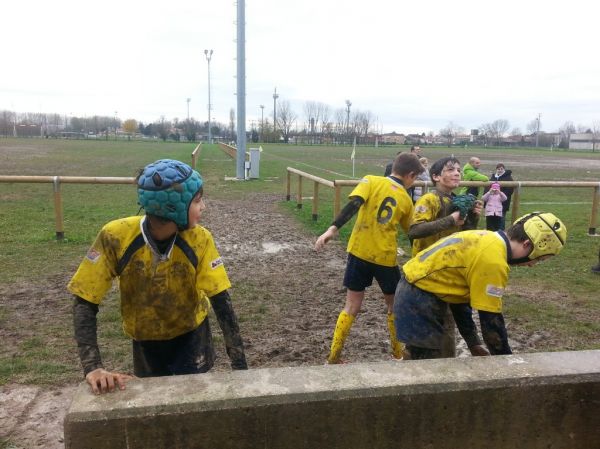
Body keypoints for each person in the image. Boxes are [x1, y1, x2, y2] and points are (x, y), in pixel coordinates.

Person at [68, 159, 248, 395]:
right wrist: (93, 367)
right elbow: (85, 299)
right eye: (197, 200)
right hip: (145, 340)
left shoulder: (200, 239)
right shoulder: (115, 236)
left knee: (191, 399)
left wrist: (240, 367)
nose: (203, 206)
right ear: (174, 206)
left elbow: (220, 299)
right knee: (154, 402)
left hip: (192, 336)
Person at [394, 212, 567, 360]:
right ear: (527, 245)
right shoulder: (493, 262)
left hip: (419, 290)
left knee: (441, 355)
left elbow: (458, 297)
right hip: (418, 301)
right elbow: (491, 322)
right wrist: (507, 362)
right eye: (539, 259)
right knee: (430, 366)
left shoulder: (486, 238)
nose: (532, 265)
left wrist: (473, 342)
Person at [316, 152, 424, 364]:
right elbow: (412, 233)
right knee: (393, 306)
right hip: (385, 258)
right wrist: (421, 258)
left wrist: (332, 229)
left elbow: (354, 204)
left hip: (359, 252)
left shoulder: (370, 180)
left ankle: (334, 357)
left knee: (351, 306)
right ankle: (397, 353)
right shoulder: (405, 199)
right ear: (410, 175)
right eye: (416, 178)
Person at [408, 156, 485, 358]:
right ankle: (425, 361)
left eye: (458, 170)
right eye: (450, 170)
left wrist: (473, 217)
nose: (457, 173)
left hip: (446, 270)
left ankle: (445, 358)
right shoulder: (429, 199)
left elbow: (462, 235)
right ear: (435, 176)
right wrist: (450, 219)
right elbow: (414, 230)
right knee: (432, 323)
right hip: (425, 273)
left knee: (447, 321)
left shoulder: (456, 201)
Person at [487, 163, 514, 230]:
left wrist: (500, 196)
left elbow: (510, 190)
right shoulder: (493, 177)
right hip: (492, 203)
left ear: (504, 169)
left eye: (501, 169)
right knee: (491, 219)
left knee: (501, 219)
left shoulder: (508, 178)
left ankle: (500, 232)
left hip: (502, 203)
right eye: (498, 169)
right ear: (496, 169)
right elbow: (487, 188)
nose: (500, 170)